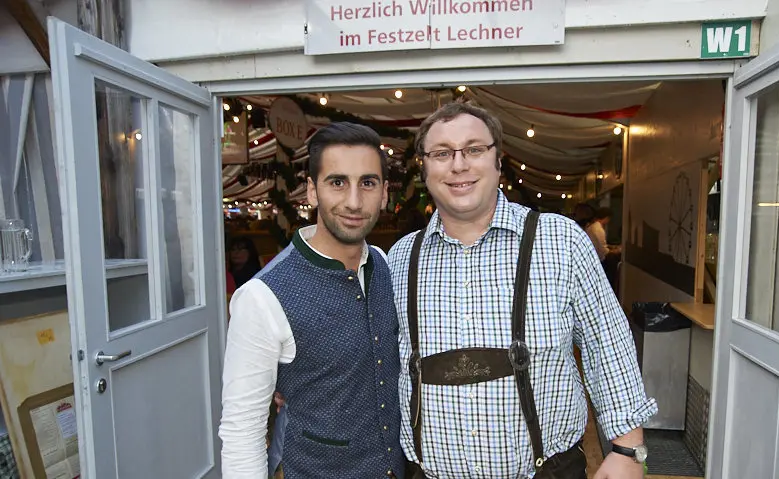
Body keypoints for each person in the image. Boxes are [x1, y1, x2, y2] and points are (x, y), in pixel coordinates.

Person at [388, 103, 657, 479]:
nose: (458, 165)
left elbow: (607, 343)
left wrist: (628, 450)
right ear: (425, 168)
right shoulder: (401, 258)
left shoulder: (560, 240)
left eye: (474, 149)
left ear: (498, 160)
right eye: (442, 153)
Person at [219, 122, 404, 478]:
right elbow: (242, 429)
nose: (354, 201)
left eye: (367, 183)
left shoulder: (383, 265)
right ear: (311, 191)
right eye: (337, 182)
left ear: (384, 193)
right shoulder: (262, 296)